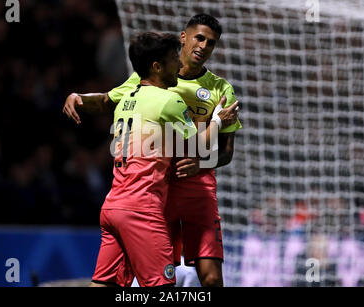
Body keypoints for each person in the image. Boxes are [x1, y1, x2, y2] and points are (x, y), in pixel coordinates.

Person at [63, 14, 242, 287]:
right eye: (200, 38)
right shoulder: (153, 82)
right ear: (184, 37)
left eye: (211, 43)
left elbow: (227, 152)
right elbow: (105, 100)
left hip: (191, 189)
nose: (204, 46)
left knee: (211, 277)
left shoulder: (220, 89)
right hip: (157, 192)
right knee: (158, 280)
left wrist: (201, 165)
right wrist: (80, 98)